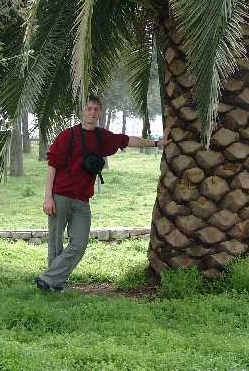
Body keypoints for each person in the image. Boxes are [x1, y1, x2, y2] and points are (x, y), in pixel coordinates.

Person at [35, 95, 168, 291]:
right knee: (55, 243)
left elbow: (127, 140)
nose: (92, 112)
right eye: (89, 108)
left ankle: (47, 279)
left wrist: (157, 144)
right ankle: (54, 285)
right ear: (83, 111)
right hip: (60, 196)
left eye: (96, 109)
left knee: (79, 243)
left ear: (100, 113)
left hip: (82, 200)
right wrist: (48, 197)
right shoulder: (67, 136)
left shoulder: (101, 137)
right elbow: (52, 166)